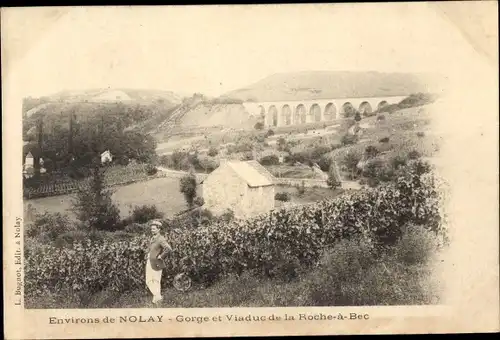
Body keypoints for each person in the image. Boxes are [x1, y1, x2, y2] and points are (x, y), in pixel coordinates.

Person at [145, 219, 172, 304]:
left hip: (157, 262)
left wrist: (161, 256)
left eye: (154, 229)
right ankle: (158, 297)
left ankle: (157, 299)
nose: (152, 230)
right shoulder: (152, 238)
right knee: (149, 281)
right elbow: (151, 249)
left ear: (159, 229)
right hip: (150, 261)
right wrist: (148, 254)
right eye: (151, 229)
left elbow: (169, 249)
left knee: (156, 281)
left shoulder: (161, 239)